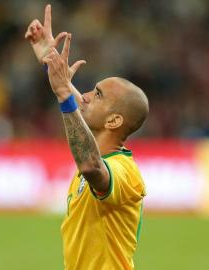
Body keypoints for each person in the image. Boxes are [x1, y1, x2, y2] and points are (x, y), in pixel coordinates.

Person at [25, 5, 149, 270]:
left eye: (99, 94)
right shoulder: (99, 156)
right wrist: (51, 60)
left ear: (114, 121)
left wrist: (63, 95)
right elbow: (79, 103)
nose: (88, 95)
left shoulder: (125, 172)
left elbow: (91, 166)